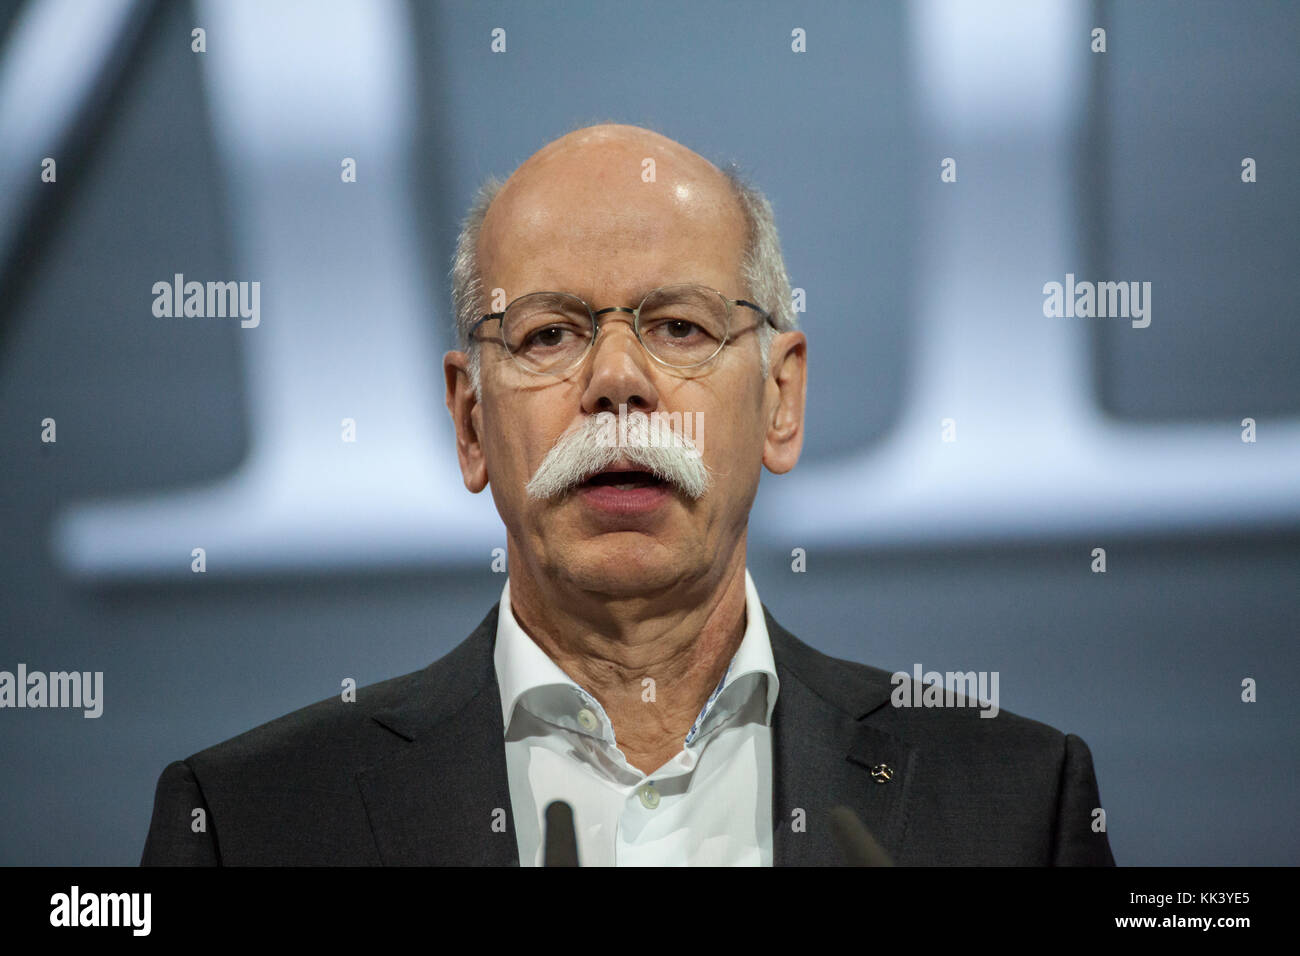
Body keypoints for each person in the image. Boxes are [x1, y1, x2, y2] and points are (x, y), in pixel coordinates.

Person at [141, 124, 1115, 866]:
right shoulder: (250, 821)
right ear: (471, 421)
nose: (616, 378)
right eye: (548, 334)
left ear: (780, 398)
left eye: (680, 327)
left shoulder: (1013, 802)